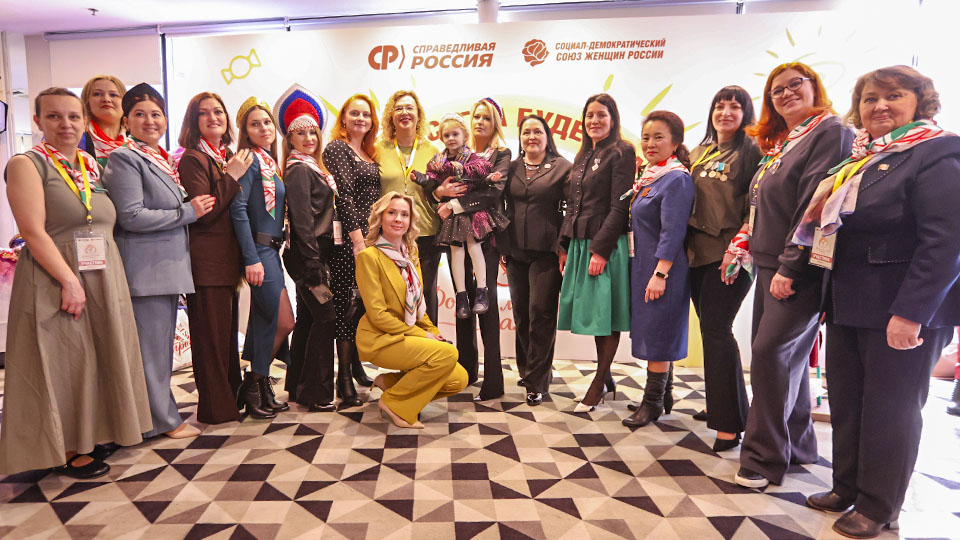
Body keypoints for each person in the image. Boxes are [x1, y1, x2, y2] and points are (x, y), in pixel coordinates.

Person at [791, 66, 960, 538]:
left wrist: (910, 313)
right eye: (870, 98)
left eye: (894, 95)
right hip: (850, 301)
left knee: (891, 410)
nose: (880, 105)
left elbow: (946, 242)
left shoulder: (938, 150)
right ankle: (846, 487)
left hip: (900, 308)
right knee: (849, 404)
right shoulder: (863, 157)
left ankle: (879, 506)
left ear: (920, 101)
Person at [0, 87, 152, 478]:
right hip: (56, 275)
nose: (65, 124)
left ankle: (94, 434)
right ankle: (65, 447)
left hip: (101, 273)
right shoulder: (27, 164)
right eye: (54, 116)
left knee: (95, 358)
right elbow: (32, 231)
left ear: (84, 121)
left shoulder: (88, 165)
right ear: (38, 121)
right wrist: (68, 280)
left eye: (73, 116)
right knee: (62, 361)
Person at [733, 63, 853, 489]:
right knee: (788, 359)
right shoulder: (788, 140)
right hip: (769, 262)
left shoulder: (831, 131)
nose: (785, 94)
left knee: (771, 354)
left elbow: (815, 205)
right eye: (776, 90)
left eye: (794, 85)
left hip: (795, 267)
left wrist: (791, 265)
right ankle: (798, 445)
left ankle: (762, 459)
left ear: (814, 87)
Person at [99, 84, 210, 440]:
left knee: (157, 350)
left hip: (164, 269)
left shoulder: (158, 158)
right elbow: (131, 216)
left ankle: (153, 419)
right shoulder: (125, 158)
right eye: (140, 114)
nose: (150, 121)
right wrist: (188, 212)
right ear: (126, 121)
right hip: (146, 271)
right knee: (151, 352)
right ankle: (163, 421)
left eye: (156, 114)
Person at [683, 86, 762, 450]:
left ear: (746, 114)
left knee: (717, 330)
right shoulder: (699, 152)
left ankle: (728, 425)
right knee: (712, 331)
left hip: (730, 255)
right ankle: (723, 404)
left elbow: (756, 207)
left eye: (734, 107)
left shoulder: (753, 152)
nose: (725, 112)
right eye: (719, 105)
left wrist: (738, 248)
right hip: (696, 255)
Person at [422, 97, 511, 401]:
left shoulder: (501, 154)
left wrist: (454, 205)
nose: (480, 122)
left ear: (495, 123)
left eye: (486, 118)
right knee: (463, 303)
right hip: (456, 231)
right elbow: (436, 185)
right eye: (476, 117)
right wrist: (439, 193)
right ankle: (466, 370)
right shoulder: (460, 152)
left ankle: (493, 380)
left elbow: (492, 193)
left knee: (486, 305)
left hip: (485, 236)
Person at [355, 192, 468, 428]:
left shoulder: (410, 256)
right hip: (380, 338)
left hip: (405, 334)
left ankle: (392, 384)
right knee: (447, 355)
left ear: (410, 221)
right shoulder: (369, 257)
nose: (398, 219)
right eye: (391, 213)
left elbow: (417, 306)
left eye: (404, 214)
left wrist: (433, 332)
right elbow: (378, 315)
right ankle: (395, 404)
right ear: (380, 218)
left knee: (459, 378)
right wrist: (422, 335)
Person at [177, 91, 253, 425]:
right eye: (204, 113)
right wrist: (231, 177)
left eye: (218, 111)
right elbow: (204, 213)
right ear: (193, 121)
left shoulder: (226, 156)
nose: (213, 118)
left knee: (225, 340)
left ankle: (230, 399)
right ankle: (215, 410)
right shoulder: (193, 158)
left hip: (228, 262)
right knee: (210, 341)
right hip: (207, 263)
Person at [558, 93, 635, 413]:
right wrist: (564, 246)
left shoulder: (622, 151)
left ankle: (598, 383)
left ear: (613, 119)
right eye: (590, 115)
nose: (595, 120)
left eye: (601, 114)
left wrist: (600, 251)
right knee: (595, 315)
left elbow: (620, 206)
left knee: (606, 315)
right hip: (579, 243)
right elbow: (572, 206)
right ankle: (606, 379)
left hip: (605, 245)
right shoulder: (583, 155)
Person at [620, 111, 695, 428]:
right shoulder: (652, 176)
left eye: (659, 137)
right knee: (655, 331)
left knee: (659, 334)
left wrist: (661, 273)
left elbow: (673, 231)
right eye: (646, 137)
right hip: (645, 266)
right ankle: (664, 396)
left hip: (663, 270)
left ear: (675, 142)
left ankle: (651, 404)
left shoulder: (676, 179)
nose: (650, 143)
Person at [499, 115, 571, 406]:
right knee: (522, 315)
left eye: (537, 132)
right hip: (515, 252)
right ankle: (528, 369)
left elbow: (572, 210)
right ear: (520, 137)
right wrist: (501, 244)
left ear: (547, 136)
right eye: (526, 132)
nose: (532, 137)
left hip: (547, 252)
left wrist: (564, 246)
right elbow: (501, 205)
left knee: (541, 313)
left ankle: (537, 382)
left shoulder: (562, 167)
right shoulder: (512, 167)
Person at [230, 96, 294, 418]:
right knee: (284, 321)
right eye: (255, 124)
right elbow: (238, 209)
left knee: (264, 321)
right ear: (245, 131)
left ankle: (261, 386)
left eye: (267, 122)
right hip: (260, 251)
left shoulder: (270, 162)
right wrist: (250, 258)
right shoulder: (249, 160)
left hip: (272, 250)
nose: (264, 128)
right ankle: (252, 383)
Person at [275, 84, 338, 412]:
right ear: (290, 139)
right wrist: (314, 265)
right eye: (301, 133)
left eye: (313, 132)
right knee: (326, 317)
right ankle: (316, 392)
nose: (309, 138)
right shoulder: (299, 169)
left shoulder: (311, 166)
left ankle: (297, 387)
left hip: (312, 254)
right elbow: (302, 220)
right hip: (309, 257)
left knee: (309, 320)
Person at [412, 113, 506, 319]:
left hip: (470, 214)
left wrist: (485, 176)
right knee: (456, 251)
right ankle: (461, 296)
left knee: (473, 246)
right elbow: (432, 183)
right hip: (452, 218)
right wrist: (423, 180)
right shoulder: (438, 161)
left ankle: (482, 290)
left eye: (455, 134)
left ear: (465, 136)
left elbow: (481, 173)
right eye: (446, 135)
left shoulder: (473, 158)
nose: (451, 138)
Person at [323, 94, 382, 407]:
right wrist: (358, 241)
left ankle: (356, 366)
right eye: (354, 113)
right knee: (346, 306)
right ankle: (342, 378)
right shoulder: (338, 148)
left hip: (372, 240)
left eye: (366, 114)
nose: (360, 119)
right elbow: (342, 196)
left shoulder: (369, 152)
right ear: (343, 118)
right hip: (349, 241)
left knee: (361, 306)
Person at [374, 91, 442, 323]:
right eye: (399, 108)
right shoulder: (377, 149)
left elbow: (439, 191)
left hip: (426, 233)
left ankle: (430, 342)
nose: (404, 113)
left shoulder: (432, 151)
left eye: (410, 108)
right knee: (393, 296)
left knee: (426, 294)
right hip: (389, 236)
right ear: (391, 116)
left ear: (418, 115)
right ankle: (399, 344)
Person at [79, 75, 127, 167]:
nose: (106, 99)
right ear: (87, 102)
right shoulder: (78, 139)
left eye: (113, 95)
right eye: (97, 94)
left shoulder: (136, 140)